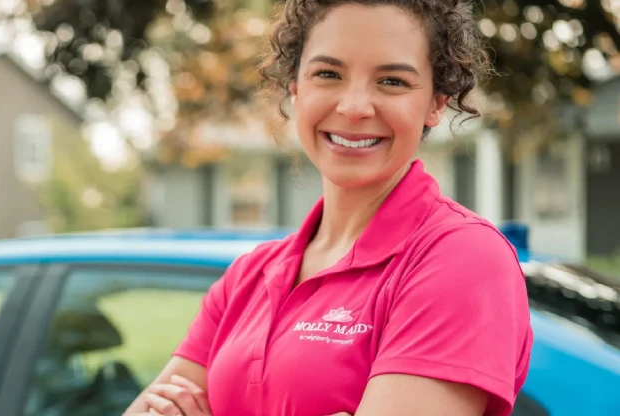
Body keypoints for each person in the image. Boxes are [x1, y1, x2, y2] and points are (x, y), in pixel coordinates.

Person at [123, 0, 533, 415]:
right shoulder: (248, 277)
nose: (354, 107)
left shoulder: (462, 258)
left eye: (392, 81)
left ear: (436, 103)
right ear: (296, 88)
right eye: (328, 74)